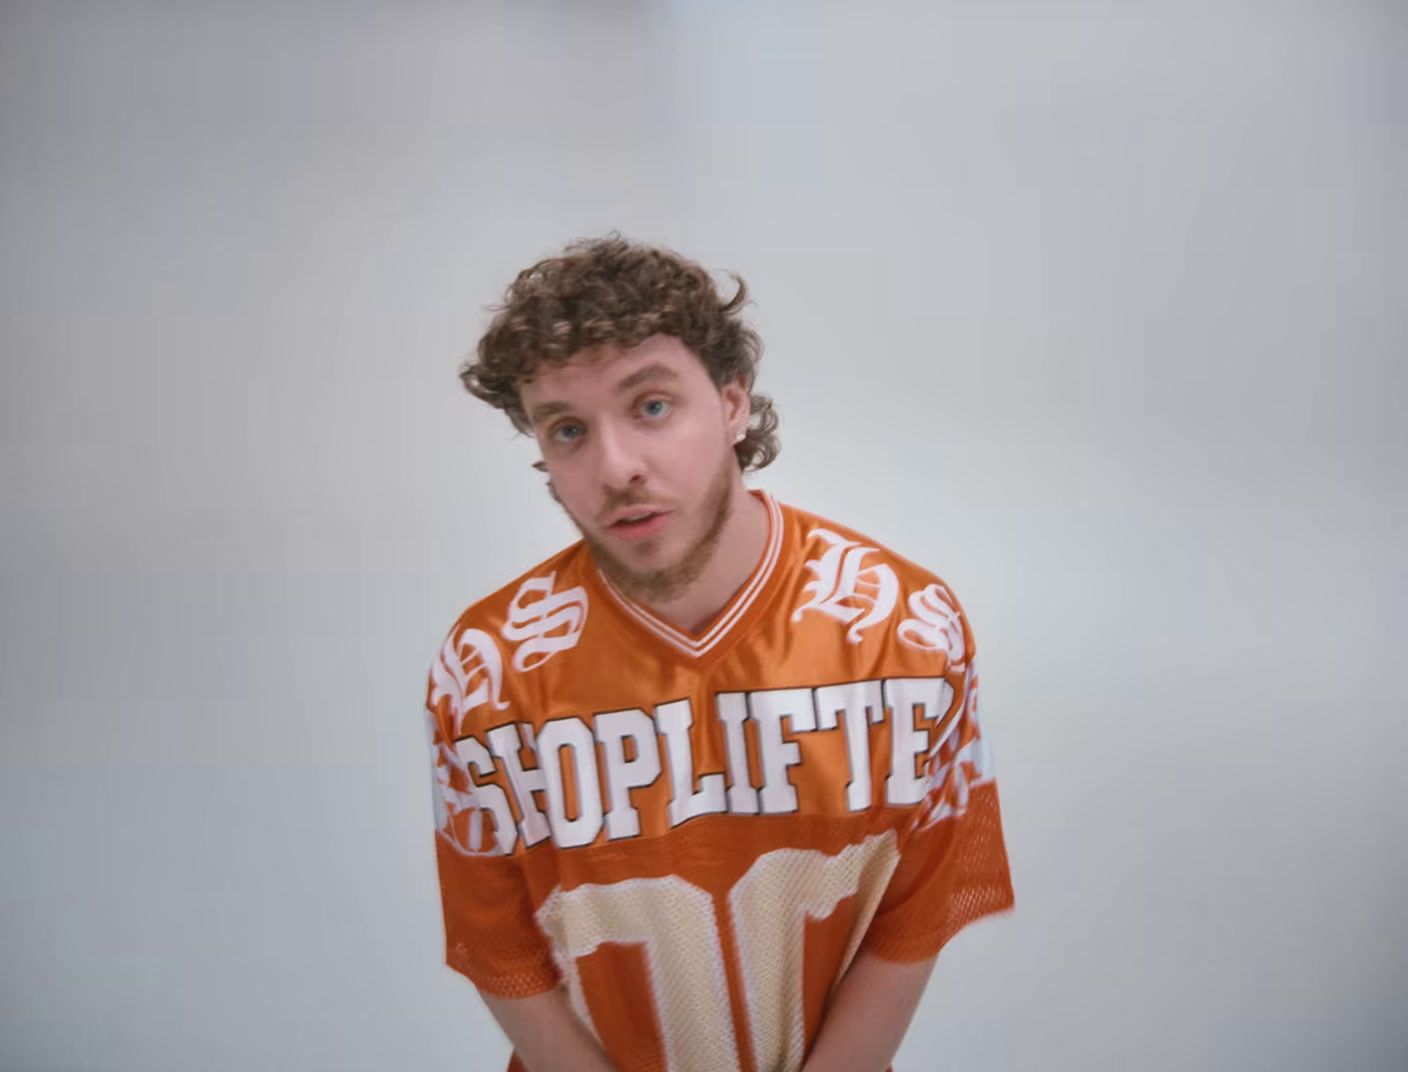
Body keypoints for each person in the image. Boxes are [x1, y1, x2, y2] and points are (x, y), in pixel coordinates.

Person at [421, 233, 1015, 1072]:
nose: (615, 465)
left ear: (732, 403)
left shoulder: (903, 626)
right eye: (567, 430)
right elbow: (498, 946)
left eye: (651, 405)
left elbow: (917, 907)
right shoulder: (487, 667)